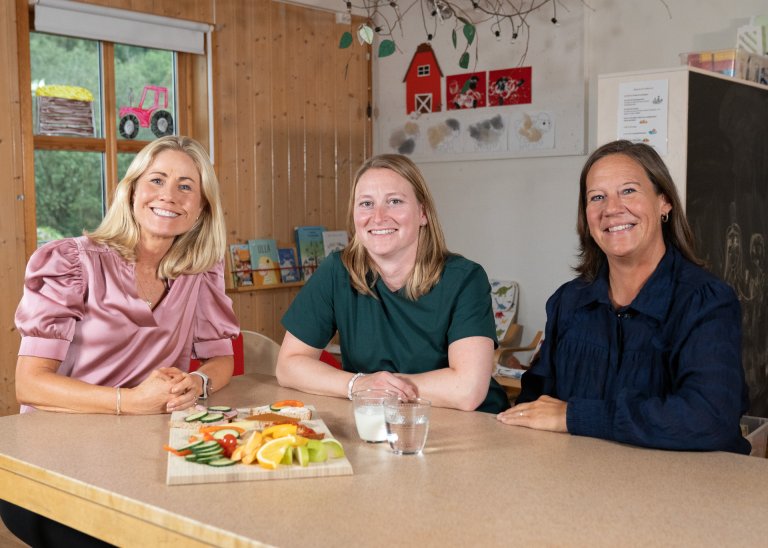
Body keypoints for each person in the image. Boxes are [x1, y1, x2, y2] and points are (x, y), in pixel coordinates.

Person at [1, 135, 239, 546]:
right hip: (52, 465)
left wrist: (197, 383)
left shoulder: (200, 271)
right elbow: (30, 384)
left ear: (201, 209)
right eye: (157, 180)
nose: (169, 195)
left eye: (186, 186)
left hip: (142, 456)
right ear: (131, 191)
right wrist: (130, 403)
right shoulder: (72, 262)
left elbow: (222, 360)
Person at [497, 140, 751, 454]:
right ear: (586, 216)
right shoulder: (569, 302)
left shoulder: (706, 301)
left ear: (664, 202)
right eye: (597, 197)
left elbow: (708, 418)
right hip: (578, 484)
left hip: (683, 491)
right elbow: (535, 401)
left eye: (628, 191)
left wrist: (574, 416)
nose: (612, 209)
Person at [276, 154, 509, 413]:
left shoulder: (465, 278)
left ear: (423, 213)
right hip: (380, 421)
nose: (378, 217)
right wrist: (358, 384)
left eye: (394, 201)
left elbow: (467, 391)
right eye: (366, 203)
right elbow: (288, 366)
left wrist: (380, 388)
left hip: (470, 428)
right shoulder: (337, 271)